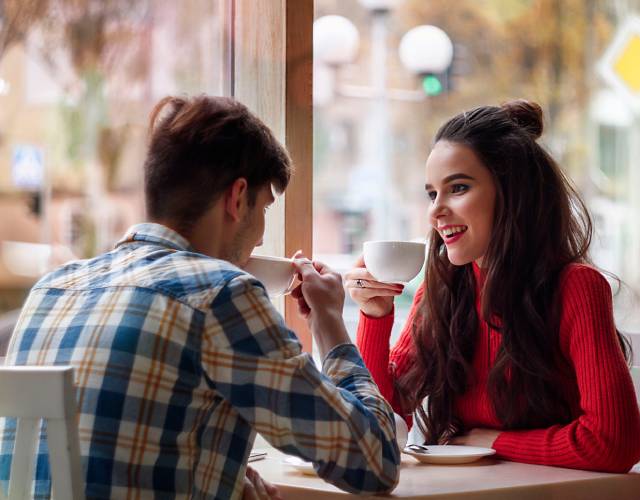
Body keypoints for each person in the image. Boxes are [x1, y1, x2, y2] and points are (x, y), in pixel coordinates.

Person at [0, 95, 400, 499]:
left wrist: (217, 474)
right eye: (264, 208)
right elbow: (375, 462)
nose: (261, 234)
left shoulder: (51, 291)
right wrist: (329, 322)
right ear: (238, 197)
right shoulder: (219, 293)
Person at [345, 100, 640, 473]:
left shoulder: (576, 288)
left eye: (457, 188)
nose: (435, 211)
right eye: (431, 194)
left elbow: (614, 443)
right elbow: (376, 423)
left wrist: (492, 441)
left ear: (511, 192)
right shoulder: (442, 291)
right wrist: (375, 316)